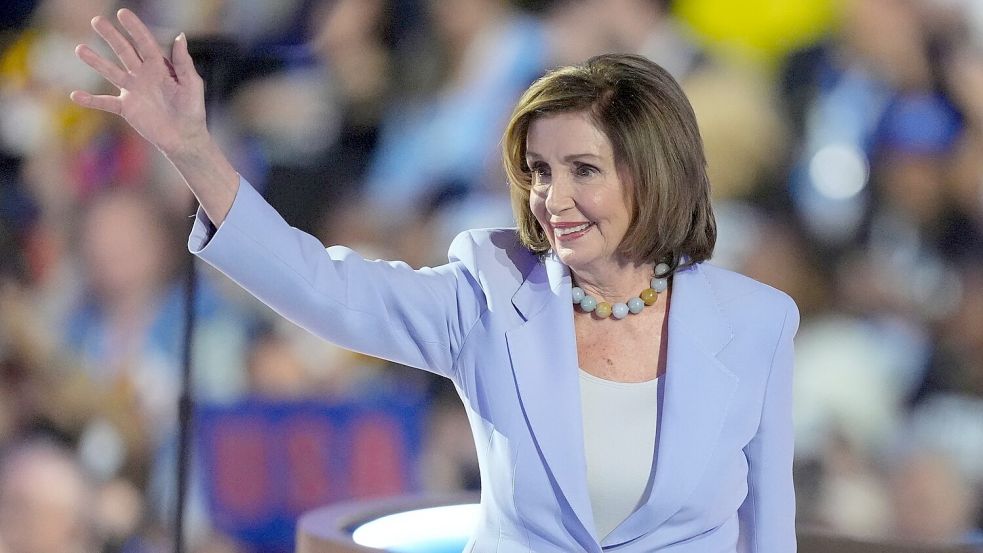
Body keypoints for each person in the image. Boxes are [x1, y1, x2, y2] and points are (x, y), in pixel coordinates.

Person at [70, 9, 799, 552]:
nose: (552, 199)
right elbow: (322, 287)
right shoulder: (487, 292)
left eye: (583, 170)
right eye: (540, 171)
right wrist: (194, 150)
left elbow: (767, 532)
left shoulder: (757, 322)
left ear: (654, 173)